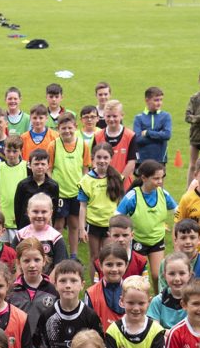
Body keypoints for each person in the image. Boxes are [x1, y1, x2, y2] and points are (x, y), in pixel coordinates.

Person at [117, 159, 177, 286]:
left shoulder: (163, 194)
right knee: (135, 278)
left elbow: (178, 211)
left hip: (157, 240)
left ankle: (157, 300)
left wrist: (179, 226)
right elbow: (116, 217)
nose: (160, 182)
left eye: (161, 178)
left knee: (157, 275)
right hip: (137, 241)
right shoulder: (132, 196)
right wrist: (123, 235)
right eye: (156, 178)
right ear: (144, 178)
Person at [80, 143, 127, 264]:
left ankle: (107, 282)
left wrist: (121, 224)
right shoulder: (86, 180)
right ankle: (95, 282)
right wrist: (82, 228)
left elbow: (121, 204)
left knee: (109, 256)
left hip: (111, 224)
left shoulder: (117, 178)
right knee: (95, 257)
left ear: (111, 158)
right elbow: (83, 206)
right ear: (93, 158)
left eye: (105, 157)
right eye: (98, 157)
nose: (102, 161)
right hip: (93, 224)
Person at [51, 112, 90, 251]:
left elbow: (85, 167)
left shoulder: (83, 145)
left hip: (76, 192)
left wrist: (83, 186)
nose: (67, 131)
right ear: (58, 129)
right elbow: (49, 168)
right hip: (60, 193)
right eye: (63, 128)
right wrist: (53, 187)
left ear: (75, 127)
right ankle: (57, 253)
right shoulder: (53, 145)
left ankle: (73, 255)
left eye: (69, 128)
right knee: (58, 225)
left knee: (74, 224)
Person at [17, 194, 69, 273]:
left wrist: (47, 284)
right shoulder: (21, 235)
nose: (39, 215)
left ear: (51, 213)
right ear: (28, 212)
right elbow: (15, 263)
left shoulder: (55, 237)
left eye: (44, 212)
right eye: (35, 211)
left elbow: (59, 266)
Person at [94, 100, 137, 189]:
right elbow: (93, 160)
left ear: (122, 116)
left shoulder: (130, 135)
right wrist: (102, 178)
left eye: (114, 116)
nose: (111, 119)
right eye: (108, 116)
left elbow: (132, 162)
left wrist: (119, 181)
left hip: (124, 186)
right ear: (104, 116)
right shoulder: (97, 136)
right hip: (102, 184)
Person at [133, 86, 172, 164]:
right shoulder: (138, 118)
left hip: (160, 158)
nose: (159, 103)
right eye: (156, 100)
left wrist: (148, 133)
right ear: (147, 100)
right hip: (142, 159)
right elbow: (137, 139)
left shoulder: (166, 116)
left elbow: (167, 135)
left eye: (161, 100)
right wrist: (159, 136)